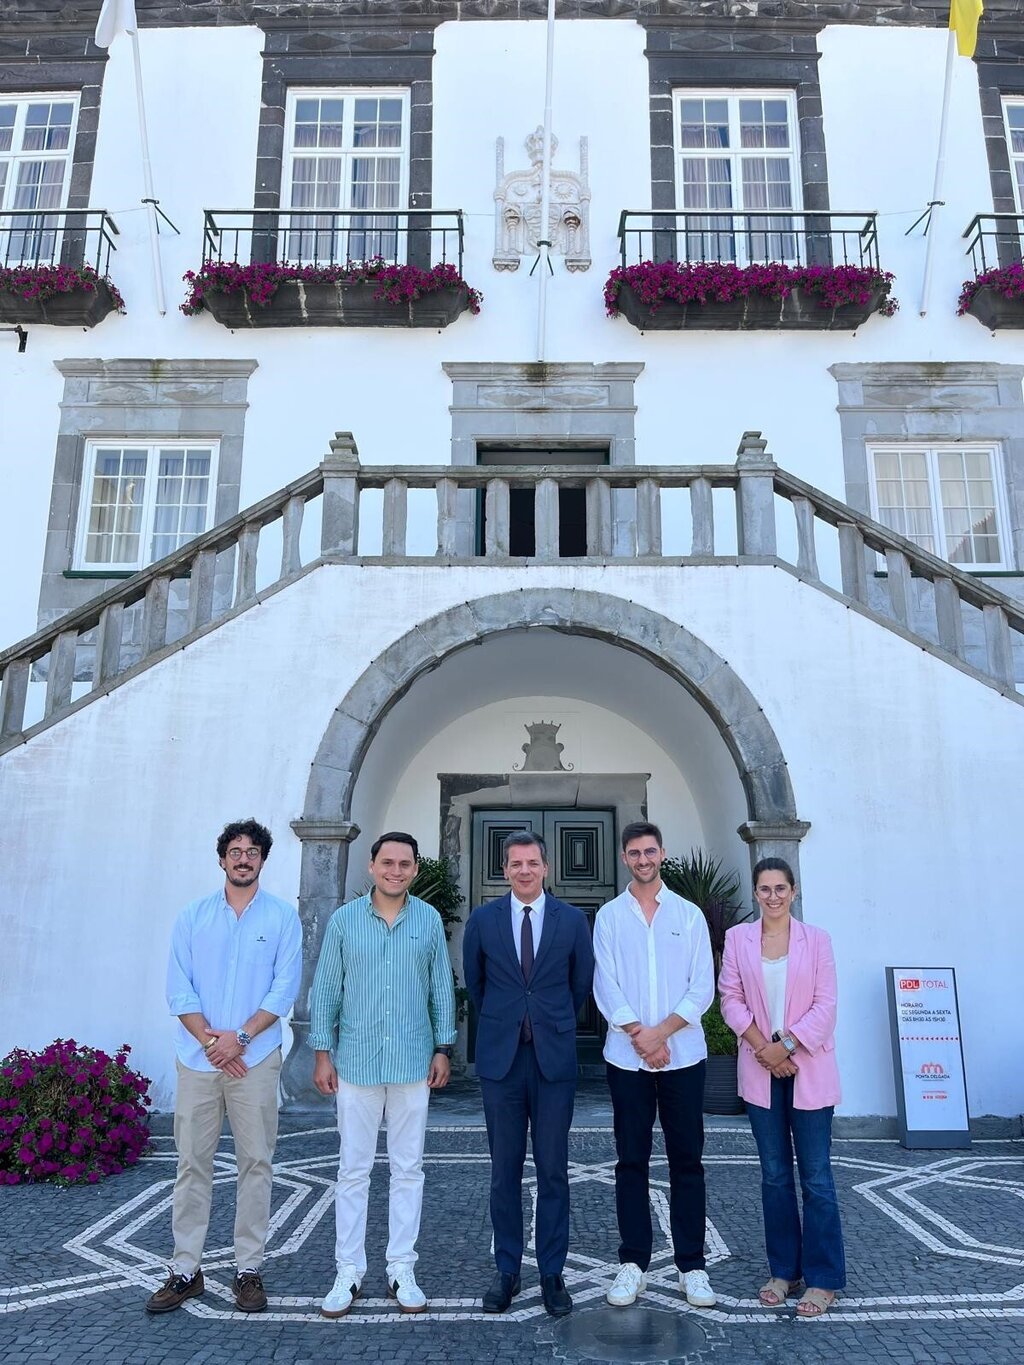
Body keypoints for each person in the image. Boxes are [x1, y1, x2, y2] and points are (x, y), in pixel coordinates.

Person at [146, 819, 302, 1315]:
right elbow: (179, 988)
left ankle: (248, 1269)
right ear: (221, 859)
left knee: (256, 1163)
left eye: (252, 851)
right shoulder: (192, 917)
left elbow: (283, 989)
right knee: (192, 1164)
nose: (243, 858)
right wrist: (213, 1042)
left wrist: (242, 1039)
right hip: (199, 1059)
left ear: (262, 860)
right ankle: (185, 1269)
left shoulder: (281, 918)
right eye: (235, 851)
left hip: (254, 1059)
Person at [309, 831, 456, 1318]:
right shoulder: (344, 922)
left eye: (405, 863)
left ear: (415, 869)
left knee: (408, 1170)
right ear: (371, 866)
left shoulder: (429, 920)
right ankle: (348, 1271)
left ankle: (401, 1268)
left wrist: (443, 1047)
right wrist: (322, 1053)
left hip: (414, 1062)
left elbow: (440, 988)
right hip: (356, 1062)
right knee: (352, 1170)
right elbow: (327, 988)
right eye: (387, 862)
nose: (396, 870)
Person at [463, 831, 594, 1318]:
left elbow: (581, 982)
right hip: (501, 1062)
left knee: (554, 1171)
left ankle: (552, 1273)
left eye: (532, 862)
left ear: (546, 867)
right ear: (505, 870)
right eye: (515, 863)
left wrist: (547, 1022)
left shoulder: (573, 921)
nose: (524, 870)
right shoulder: (483, 921)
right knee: (504, 1172)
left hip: (553, 1060)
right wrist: (506, 1022)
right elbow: (475, 983)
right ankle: (507, 1269)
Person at [592, 821, 717, 1310]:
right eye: (634, 853)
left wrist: (661, 1035)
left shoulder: (688, 916)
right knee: (631, 1160)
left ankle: (692, 1266)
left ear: (662, 853)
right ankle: (633, 1263)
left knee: (687, 1161)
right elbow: (605, 983)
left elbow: (701, 984)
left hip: (683, 1057)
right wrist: (639, 1036)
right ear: (624, 857)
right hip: (627, 1060)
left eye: (650, 851)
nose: (643, 859)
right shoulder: (608, 917)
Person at [718, 856, 845, 1317]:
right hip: (760, 1068)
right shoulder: (737, 939)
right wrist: (762, 1049)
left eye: (780, 888)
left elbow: (826, 1006)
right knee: (774, 1177)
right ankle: (784, 1271)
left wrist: (787, 1046)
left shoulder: (818, 941)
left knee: (816, 1178)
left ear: (794, 892)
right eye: (764, 889)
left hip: (808, 1067)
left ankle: (824, 1277)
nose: (772, 896)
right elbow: (729, 997)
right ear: (755, 893)